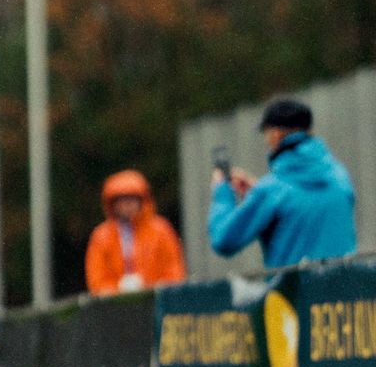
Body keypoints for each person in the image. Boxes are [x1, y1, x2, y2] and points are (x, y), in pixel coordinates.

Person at [209, 97, 356, 268]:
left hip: (293, 294)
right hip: (345, 292)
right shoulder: (340, 176)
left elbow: (224, 241)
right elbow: (305, 208)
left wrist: (223, 193)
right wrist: (257, 191)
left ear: (276, 134)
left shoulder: (271, 190)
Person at [85, 171, 186, 295]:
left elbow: (174, 270)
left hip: (156, 299)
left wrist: (149, 287)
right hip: (115, 304)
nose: (127, 205)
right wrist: (118, 288)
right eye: (122, 200)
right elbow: (96, 279)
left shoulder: (161, 230)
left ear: (142, 201)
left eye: (132, 199)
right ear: (113, 204)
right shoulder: (101, 235)